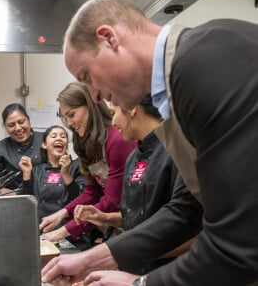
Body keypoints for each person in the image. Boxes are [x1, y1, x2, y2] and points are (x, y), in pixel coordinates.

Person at [41, 0, 258, 286]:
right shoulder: (177, 88)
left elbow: (239, 245)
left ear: (108, 38)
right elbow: (187, 209)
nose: (93, 95)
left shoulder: (203, 60)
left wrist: (139, 284)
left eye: (87, 76)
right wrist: (92, 259)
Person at [74, 94, 202, 274]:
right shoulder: (133, 157)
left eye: (113, 113)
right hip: (133, 270)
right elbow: (135, 217)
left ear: (132, 108)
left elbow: (191, 230)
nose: (113, 122)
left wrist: (129, 253)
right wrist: (103, 217)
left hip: (168, 272)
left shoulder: (177, 150)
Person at [39, 81, 136, 246]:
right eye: (65, 118)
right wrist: (62, 213)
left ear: (90, 106)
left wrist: (63, 231)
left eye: (72, 114)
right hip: (117, 226)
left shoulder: (116, 140)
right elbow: (93, 192)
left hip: (133, 221)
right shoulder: (91, 144)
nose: (69, 123)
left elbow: (112, 201)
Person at [18, 125, 86, 223]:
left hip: (69, 228)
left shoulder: (77, 166)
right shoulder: (36, 170)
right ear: (44, 145)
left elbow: (82, 199)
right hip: (42, 227)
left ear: (67, 144)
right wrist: (26, 174)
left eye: (63, 136)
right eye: (54, 136)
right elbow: (24, 204)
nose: (59, 138)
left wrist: (66, 173)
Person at [0, 103, 43, 195]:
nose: (18, 128)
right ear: (5, 127)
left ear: (28, 120)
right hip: (14, 201)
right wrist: (17, 197)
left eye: (21, 122)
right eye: (11, 125)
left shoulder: (46, 140)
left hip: (48, 199)